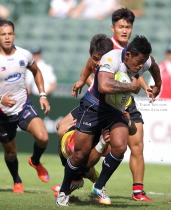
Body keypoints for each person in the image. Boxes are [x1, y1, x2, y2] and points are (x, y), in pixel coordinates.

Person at [56, 36, 161, 206]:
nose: (141, 65)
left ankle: (99, 186)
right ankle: (64, 190)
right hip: (94, 106)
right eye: (139, 61)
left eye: (143, 61)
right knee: (80, 155)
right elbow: (104, 86)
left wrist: (159, 84)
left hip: (114, 110)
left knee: (120, 146)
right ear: (128, 55)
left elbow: (154, 65)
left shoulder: (143, 60)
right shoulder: (111, 58)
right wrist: (132, 87)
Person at [0, 20, 51, 193]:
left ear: (14, 35)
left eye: (10, 33)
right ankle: (17, 180)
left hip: (23, 106)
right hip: (2, 113)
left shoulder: (24, 54)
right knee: (10, 153)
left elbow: (37, 71)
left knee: (43, 137)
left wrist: (42, 94)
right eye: (3, 34)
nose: (7, 37)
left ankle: (36, 161)